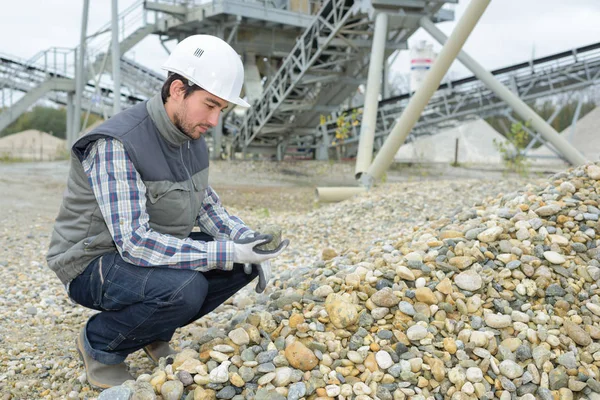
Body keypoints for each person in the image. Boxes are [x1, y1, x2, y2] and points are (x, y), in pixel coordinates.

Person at [46, 34, 289, 389]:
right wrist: (223, 251)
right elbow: (134, 242)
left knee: (239, 261)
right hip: (92, 261)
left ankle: (151, 327)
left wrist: (247, 243)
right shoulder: (117, 143)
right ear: (177, 89)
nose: (214, 120)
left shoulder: (189, 138)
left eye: (221, 108)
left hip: (143, 253)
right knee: (185, 289)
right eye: (209, 105)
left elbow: (208, 209)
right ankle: (99, 344)